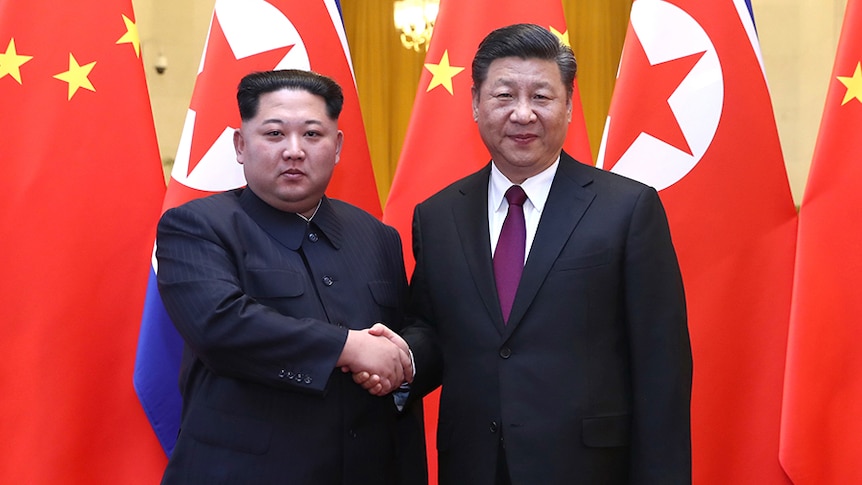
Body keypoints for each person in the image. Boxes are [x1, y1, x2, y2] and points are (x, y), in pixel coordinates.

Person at [364, 23, 692, 484]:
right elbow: (434, 329)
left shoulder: (628, 209)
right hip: (473, 464)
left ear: (569, 105)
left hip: (589, 468)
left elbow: (662, 369)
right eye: (504, 96)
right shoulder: (438, 216)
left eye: (541, 96)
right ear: (476, 104)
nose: (523, 114)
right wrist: (401, 360)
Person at [156, 69, 426, 485]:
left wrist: (402, 360)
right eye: (275, 134)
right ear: (241, 146)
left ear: (336, 148)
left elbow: (410, 330)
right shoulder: (195, 226)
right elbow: (219, 325)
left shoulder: (378, 236)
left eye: (313, 135)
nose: (295, 151)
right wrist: (349, 348)